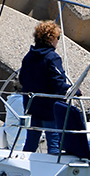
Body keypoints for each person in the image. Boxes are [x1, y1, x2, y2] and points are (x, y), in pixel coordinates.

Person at [19, 21, 73, 153]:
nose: (58, 41)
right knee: (54, 143)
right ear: (51, 39)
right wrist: (74, 91)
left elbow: (22, 79)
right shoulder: (52, 58)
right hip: (50, 109)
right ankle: (54, 165)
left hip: (32, 106)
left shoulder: (28, 57)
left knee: (31, 143)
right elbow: (58, 83)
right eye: (58, 38)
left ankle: (25, 163)